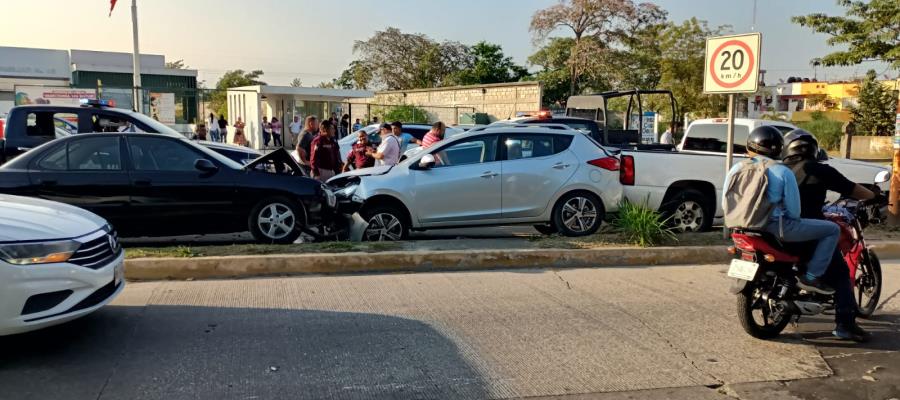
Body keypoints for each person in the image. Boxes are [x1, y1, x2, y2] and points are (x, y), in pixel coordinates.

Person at [782, 129, 876, 342]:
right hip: (806, 232)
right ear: (813, 150)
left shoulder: (777, 169)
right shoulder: (819, 169)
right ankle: (845, 325)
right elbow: (851, 189)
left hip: (774, 230)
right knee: (841, 272)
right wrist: (874, 195)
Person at [723, 125, 840, 295]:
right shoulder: (782, 172)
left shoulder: (736, 169)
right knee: (832, 229)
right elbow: (794, 211)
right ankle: (811, 276)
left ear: (749, 146)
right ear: (779, 149)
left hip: (740, 229)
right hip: (775, 228)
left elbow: (725, 201)